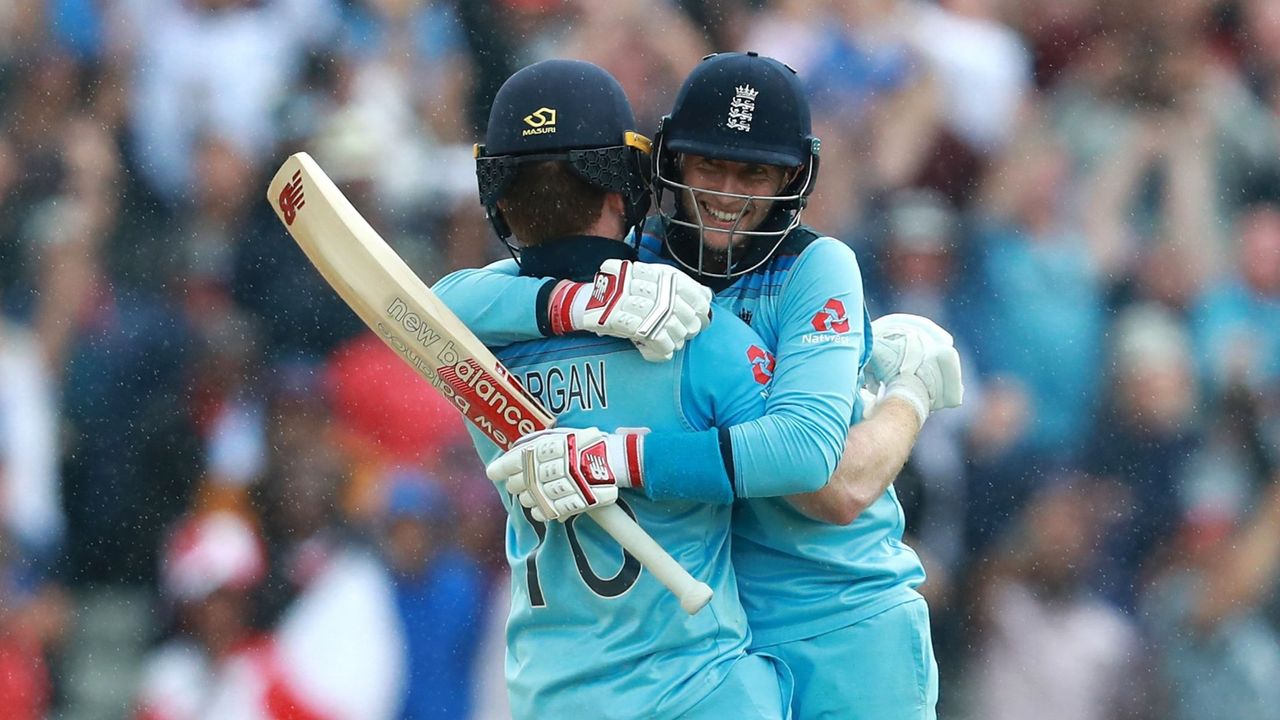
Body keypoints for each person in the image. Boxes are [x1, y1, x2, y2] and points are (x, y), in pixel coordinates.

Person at [436, 52, 961, 719]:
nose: (727, 194)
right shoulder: (641, 253)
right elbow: (436, 310)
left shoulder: (817, 268)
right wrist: (577, 304)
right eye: (710, 165)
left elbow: (831, 486)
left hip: (840, 617)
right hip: (724, 636)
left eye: (755, 173)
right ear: (671, 164)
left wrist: (908, 397)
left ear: (793, 178)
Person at [449, 57, 799, 719]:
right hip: (701, 696)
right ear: (625, 190)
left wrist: (567, 303)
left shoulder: (475, 351)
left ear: (498, 199)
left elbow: (428, 305)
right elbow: (807, 470)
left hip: (552, 698)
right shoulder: (700, 337)